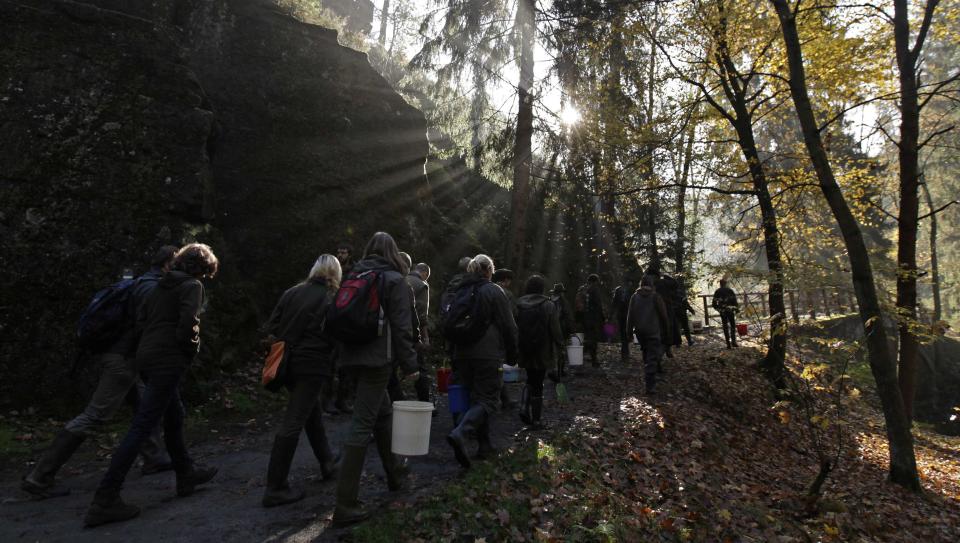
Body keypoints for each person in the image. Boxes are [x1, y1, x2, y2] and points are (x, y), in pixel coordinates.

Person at [22, 246, 177, 499]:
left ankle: (154, 457)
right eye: (178, 263)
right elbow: (146, 328)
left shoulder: (139, 283)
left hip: (125, 359)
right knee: (94, 416)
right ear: (168, 264)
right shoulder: (150, 288)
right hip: (123, 361)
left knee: (145, 405)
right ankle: (39, 477)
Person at [84, 243, 220, 527]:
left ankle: (186, 475)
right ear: (202, 269)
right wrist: (191, 350)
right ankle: (105, 499)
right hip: (167, 359)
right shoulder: (192, 286)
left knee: (174, 415)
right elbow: (188, 325)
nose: (205, 278)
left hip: (146, 356)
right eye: (206, 273)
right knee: (143, 425)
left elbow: (142, 321)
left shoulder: (160, 285)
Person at [332, 232, 418, 528]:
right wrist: (411, 365)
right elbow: (402, 327)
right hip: (377, 359)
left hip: (350, 356)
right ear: (393, 252)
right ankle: (345, 504)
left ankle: (395, 473)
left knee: (382, 413)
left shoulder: (354, 273)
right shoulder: (394, 280)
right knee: (362, 424)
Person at [259, 255, 342, 507]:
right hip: (313, 364)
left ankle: (327, 461)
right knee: (294, 420)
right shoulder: (332, 297)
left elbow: (271, 327)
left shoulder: (292, 292)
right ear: (335, 274)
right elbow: (336, 333)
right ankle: (275, 487)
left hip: (287, 362)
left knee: (309, 411)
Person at [446, 255, 518, 469]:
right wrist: (513, 356)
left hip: (461, 353)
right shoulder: (494, 291)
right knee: (488, 400)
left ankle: (484, 446)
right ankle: (461, 433)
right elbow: (508, 326)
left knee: (472, 397)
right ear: (489, 271)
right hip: (486, 353)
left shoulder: (460, 290)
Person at [516, 275, 563, 429]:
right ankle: (536, 420)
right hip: (542, 349)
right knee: (538, 383)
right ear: (541, 288)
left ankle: (524, 406)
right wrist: (560, 344)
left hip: (524, 348)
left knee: (530, 378)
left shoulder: (519, 304)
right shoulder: (548, 305)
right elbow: (555, 329)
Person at [327, 242, 357, 414]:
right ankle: (327, 400)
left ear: (349, 254)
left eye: (344, 252)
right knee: (330, 364)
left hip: (347, 320)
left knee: (345, 365)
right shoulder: (331, 269)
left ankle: (342, 399)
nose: (340, 255)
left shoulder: (354, 270)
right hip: (333, 320)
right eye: (338, 252)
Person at [627, 276, 669, 394]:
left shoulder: (634, 297)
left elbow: (630, 316)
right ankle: (650, 385)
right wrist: (667, 331)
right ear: (651, 284)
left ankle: (649, 378)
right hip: (653, 331)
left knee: (646, 353)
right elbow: (664, 316)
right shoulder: (655, 297)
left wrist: (629, 332)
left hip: (640, 332)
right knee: (652, 357)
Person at [492, 268, 517, 409]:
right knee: (498, 368)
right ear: (506, 280)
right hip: (499, 337)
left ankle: (502, 398)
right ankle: (501, 399)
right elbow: (512, 316)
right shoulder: (506, 294)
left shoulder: (484, 289)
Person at [408, 262, 432, 404]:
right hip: (412, 333)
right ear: (424, 273)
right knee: (420, 368)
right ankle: (425, 402)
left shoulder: (402, 279)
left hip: (396, 332)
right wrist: (425, 339)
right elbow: (422, 316)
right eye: (427, 277)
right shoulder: (421, 285)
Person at [576, 274, 605, 367]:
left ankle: (580, 357)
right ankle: (594, 360)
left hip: (584, 318)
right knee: (593, 339)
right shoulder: (594, 289)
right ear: (595, 281)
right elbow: (598, 304)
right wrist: (603, 317)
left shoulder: (582, 289)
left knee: (587, 338)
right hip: (593, 318)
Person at [549, 283, 573, 382]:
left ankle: (554, 370)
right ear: (561, 293)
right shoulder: (563, 302)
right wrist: (571, 329)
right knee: (561, 350)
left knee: (552, 350)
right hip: (561, 329)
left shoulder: (549, 300)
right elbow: (568, 316)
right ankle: (559, 371)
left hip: (549, 329)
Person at [655, 273, 681, 358]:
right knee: (669, 327)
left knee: (664, 328)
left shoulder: (654, 282)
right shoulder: (664, 282)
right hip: (666, 307)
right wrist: (667, 276)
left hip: (657, 308)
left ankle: (665, 349)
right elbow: (675, 284)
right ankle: (667, 349)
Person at [611, 277, 636, 362]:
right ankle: (625, 353)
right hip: (628, 315)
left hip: (620, 315)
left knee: (623, 334)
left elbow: (614, 303)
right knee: (627, 333)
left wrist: (612, 315)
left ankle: (624, 353)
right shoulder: (632, 291)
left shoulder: (618, 290)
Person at [712, 279, 739, 349]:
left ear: (720, 284)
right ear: (726, 284)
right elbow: (735, 301)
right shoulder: (730, 291)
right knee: (732, 326)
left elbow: (714, 304)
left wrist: (719, 310)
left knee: (725, 326)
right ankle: (733, 342)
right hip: (730, 311)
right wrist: (736, 309)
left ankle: (728, 343)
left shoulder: (717, 291)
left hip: (723, 312)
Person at [676, 275, 696, 346]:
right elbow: (685, 303)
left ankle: (678, 343)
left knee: (677, 327)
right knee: (685, 327)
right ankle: (689, 341)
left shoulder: (672, 293)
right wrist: (691, 310)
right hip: (682, 312)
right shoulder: (681, 293)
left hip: (675, 312)